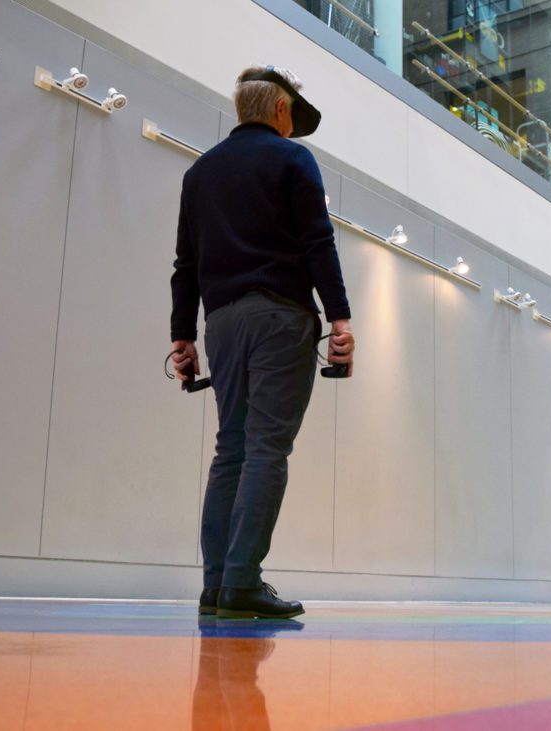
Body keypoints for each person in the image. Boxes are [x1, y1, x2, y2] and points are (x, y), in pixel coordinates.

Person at [169, 65, 354, 619]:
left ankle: (217, 585)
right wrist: (340, 320)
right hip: (280, 317)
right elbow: (318, 243)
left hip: (220, 322)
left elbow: (186, 265)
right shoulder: (293, 159)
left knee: (232, 449)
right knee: (267, 449)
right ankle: (243, 584)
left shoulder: (200, 173)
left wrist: (182, 336)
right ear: (279, 110)